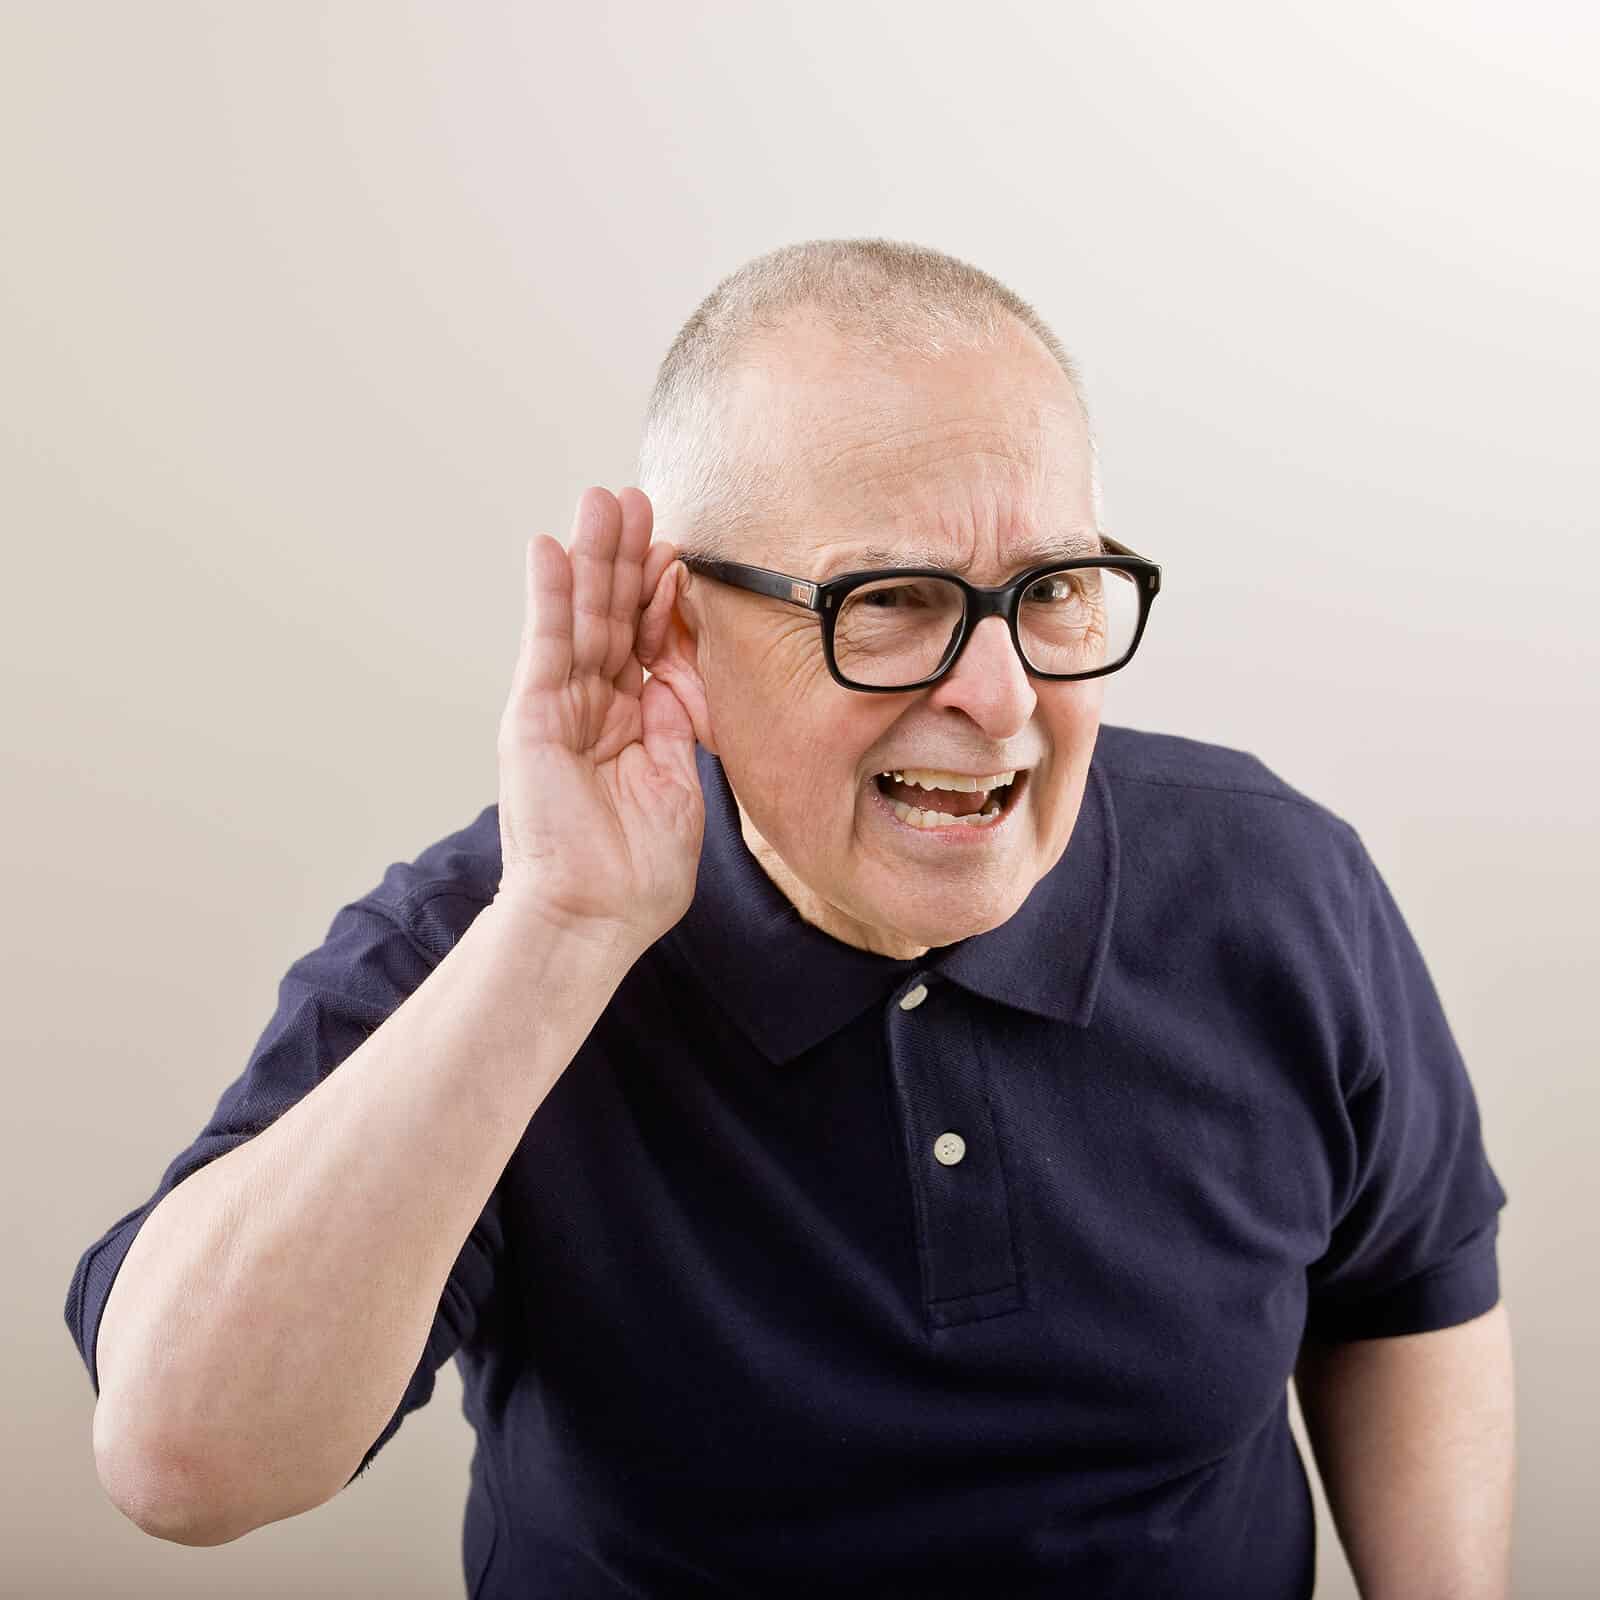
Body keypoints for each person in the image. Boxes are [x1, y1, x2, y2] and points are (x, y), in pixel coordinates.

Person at [66, 239, 1514, 1600]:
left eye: (1054, 591)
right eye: (892, 603)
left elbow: (1405, 1290)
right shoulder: (501, 931)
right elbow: (186, 1465)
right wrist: (563, 931)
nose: (1000, 699)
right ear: (679, 628)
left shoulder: (1279, 880)